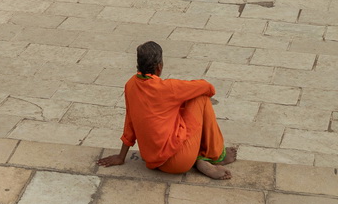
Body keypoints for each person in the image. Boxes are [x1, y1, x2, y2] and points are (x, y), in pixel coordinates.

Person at [98, 40, 236, 179]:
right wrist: (184, 98)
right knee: (201, 99)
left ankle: (198, 159)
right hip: (179, 162)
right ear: (159, 67)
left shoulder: (130, 85)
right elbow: (208, 87)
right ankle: (216, 155)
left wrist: (121, 157)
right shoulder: (168, 87)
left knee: (177, 107)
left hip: (151, 160)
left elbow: (130, 122)